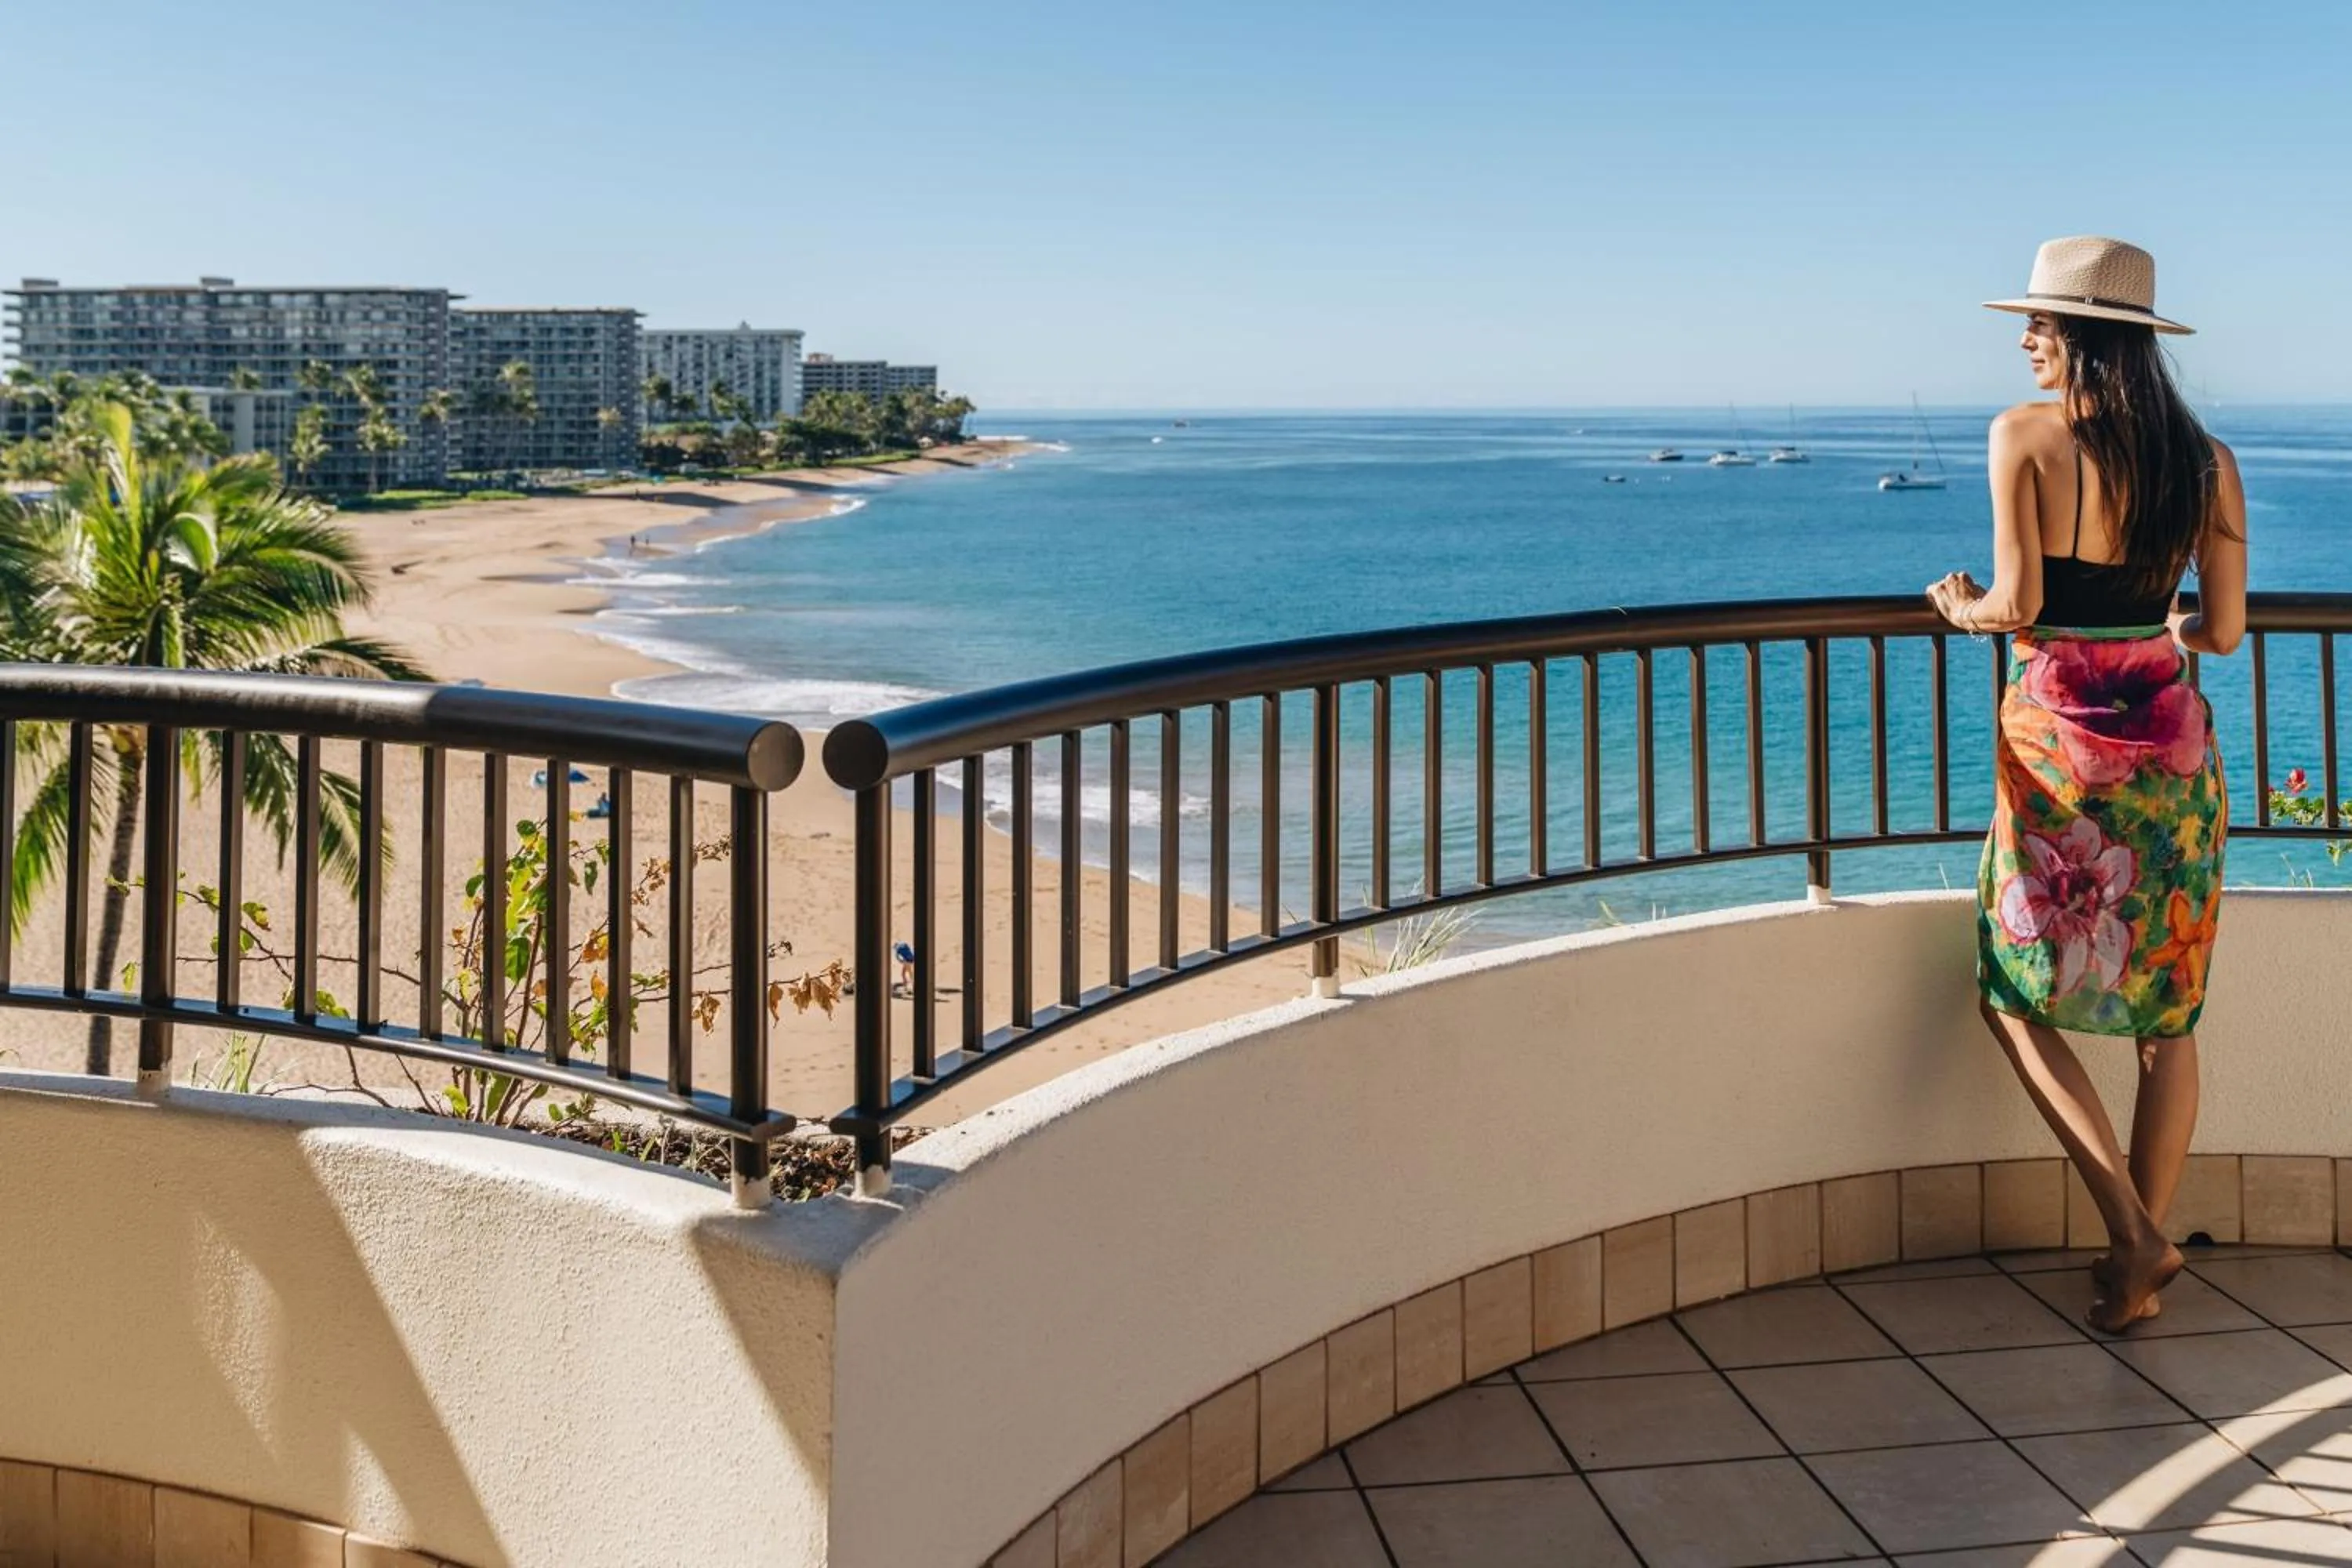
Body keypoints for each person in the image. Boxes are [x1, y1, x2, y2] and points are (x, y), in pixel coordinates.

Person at [1926, 236, 2247, 1334]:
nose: (2024, 341)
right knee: (2167, 1016)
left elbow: (2016, 606)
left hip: (2062, 763)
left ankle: (2134, 1234)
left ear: (2087, 342)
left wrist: (1958, 605)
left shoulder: (2022, 438)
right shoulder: (2205, 460)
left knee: (2008, 992)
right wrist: (2169, 627)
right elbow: (2231, 633)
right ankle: (2133, 1274)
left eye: (2041, 326)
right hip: (2173, 760)